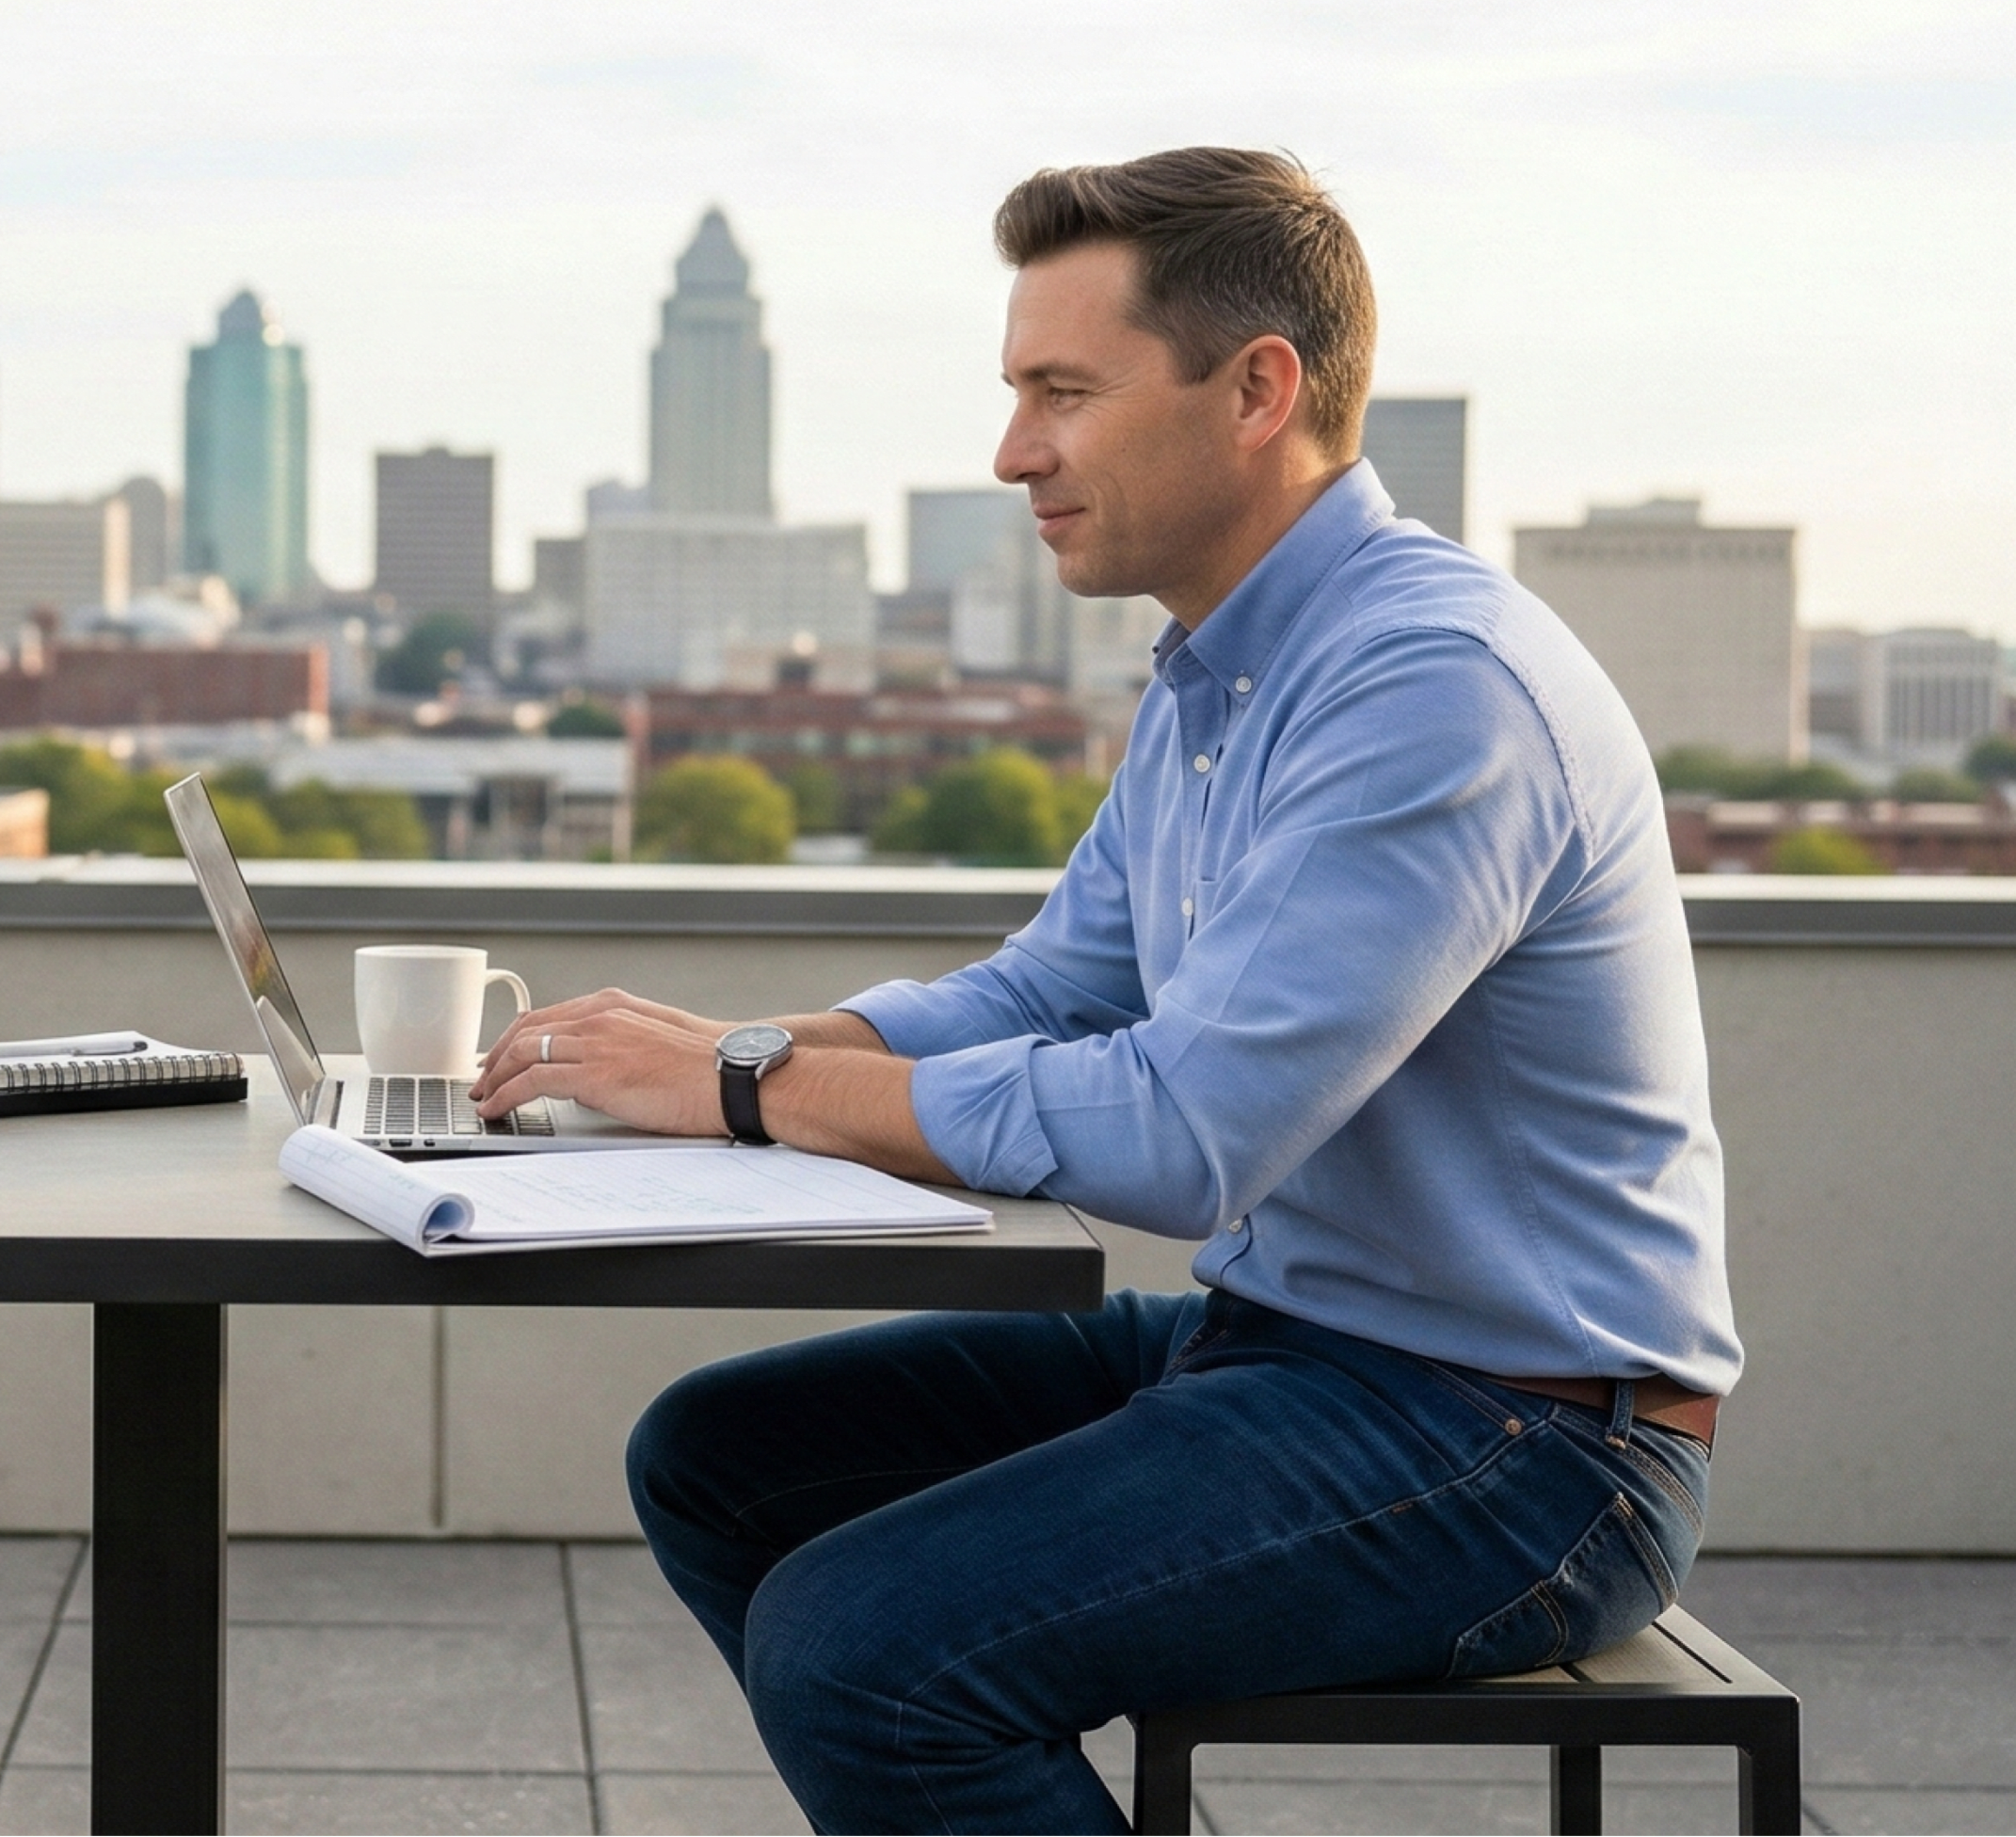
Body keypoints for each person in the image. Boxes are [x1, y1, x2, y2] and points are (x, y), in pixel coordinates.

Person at [470, 147, 1738, 1835]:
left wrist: (748, 1085)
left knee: (866, 1651)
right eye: (1016, 393)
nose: (1012, 453)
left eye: (1062, 391)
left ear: (1255, 391)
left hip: (1526, 1439)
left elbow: (1179, 1132)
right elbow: (1054, 986)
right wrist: (711, 1049)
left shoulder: (1432, 687)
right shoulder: (1218, 673)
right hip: (1291, 1343)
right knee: (719, 1452)